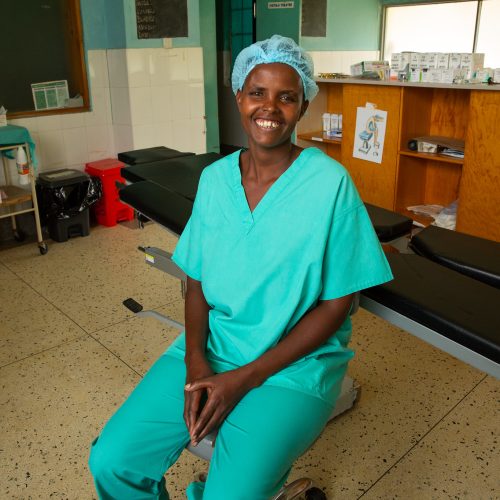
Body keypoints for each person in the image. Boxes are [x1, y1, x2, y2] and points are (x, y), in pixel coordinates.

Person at [89, 34, 393, 500]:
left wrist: (244, 379)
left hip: (294, 369)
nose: (269, 107)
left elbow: (337, 305)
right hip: (213, 348)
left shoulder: (329, 183)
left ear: (304, 104)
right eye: (257, 93)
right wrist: (195, 360)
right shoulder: (215, 180)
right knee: (113, 461)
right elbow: (197, 282)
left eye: (286, 96)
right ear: (238, 97)